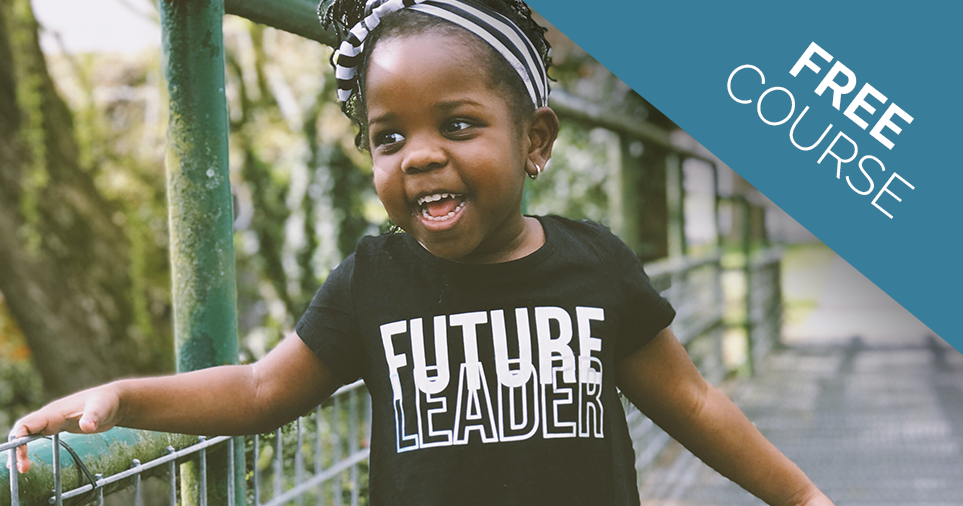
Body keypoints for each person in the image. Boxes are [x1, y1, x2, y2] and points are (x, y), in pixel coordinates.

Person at [9, 1, 835, 504]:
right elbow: (260, 389)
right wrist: (123, 394)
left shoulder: (596, 265)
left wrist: (798, 496)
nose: (420, 155)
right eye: (388, 137)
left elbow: (689, 402)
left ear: (534, 140)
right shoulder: (375, 279)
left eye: (459, 125)